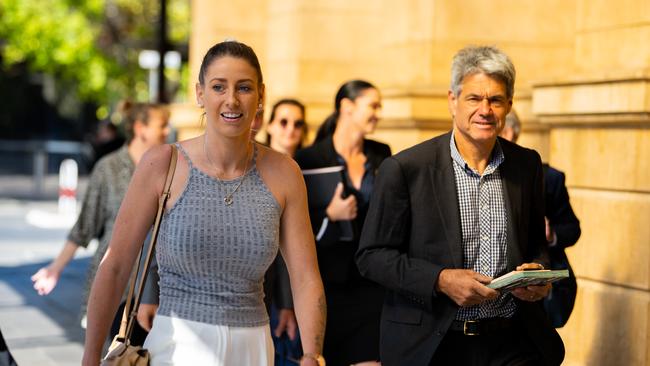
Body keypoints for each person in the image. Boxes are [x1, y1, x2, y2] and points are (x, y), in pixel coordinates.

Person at [82, 40, 326, 366]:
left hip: (253, 349)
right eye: (218, 87)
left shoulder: (285, 173)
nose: (232, 100)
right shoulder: (162, 164)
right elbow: (115, 265)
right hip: (175, 346)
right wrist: (89, 357)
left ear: (261, 95)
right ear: (200, 94)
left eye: (244, 87)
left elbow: (306, 276)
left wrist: (313, 354)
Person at [356, 46, 565, 366]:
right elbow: (372, 257)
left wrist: (537, 272)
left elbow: (535, 243)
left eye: (495, 100)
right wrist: (440, 279)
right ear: (452, 101)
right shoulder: (405, 168)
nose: (485, 109)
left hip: (513, 340)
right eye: (474, 98)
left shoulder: (527, 164)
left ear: (509, 105)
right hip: (434, 345)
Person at [135, 98, 309, 365]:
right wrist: (149, 293)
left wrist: (288, 306)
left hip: (256, 311)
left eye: (258, 113)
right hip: (184, 318)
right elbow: (161, 235)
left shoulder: (284, 171)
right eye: (283, 121)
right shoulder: (182, 163)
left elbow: (297, 259)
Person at [31, 102, 170, 346]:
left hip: (159, 288)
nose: (167, 131)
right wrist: (55, 269)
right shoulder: (108, 169)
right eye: (162, 125)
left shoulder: (170, 170)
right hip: (115, 287)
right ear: (140, 128)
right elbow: (84, 227)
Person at [295, 80, 391, 366]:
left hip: (372, 286)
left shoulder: (381, 154)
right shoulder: (308, 158)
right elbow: (298, 230)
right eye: (372, 105)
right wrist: (331, 216)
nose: (378, 113)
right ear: (346, 107)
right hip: (327, 287)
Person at [500, 111, 581, 328]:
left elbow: (572, 229)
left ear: (512, 133)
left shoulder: (548, 178)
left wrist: (551, 233)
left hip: (536, 297)